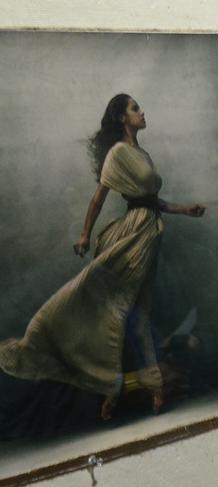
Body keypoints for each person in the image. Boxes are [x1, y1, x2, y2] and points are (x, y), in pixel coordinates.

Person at [0, 93, 205, 420]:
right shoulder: (119, 153)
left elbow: (153, 201)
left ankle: (145, 389)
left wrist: (185, 210)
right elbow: (98, 199)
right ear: (123, 118)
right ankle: (120, 384)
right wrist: (84, 234)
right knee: (119, 312)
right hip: (134, 234)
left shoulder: (141, 153)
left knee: (139, 314)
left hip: (150, 233)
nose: (142, 111)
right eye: (135, 108)